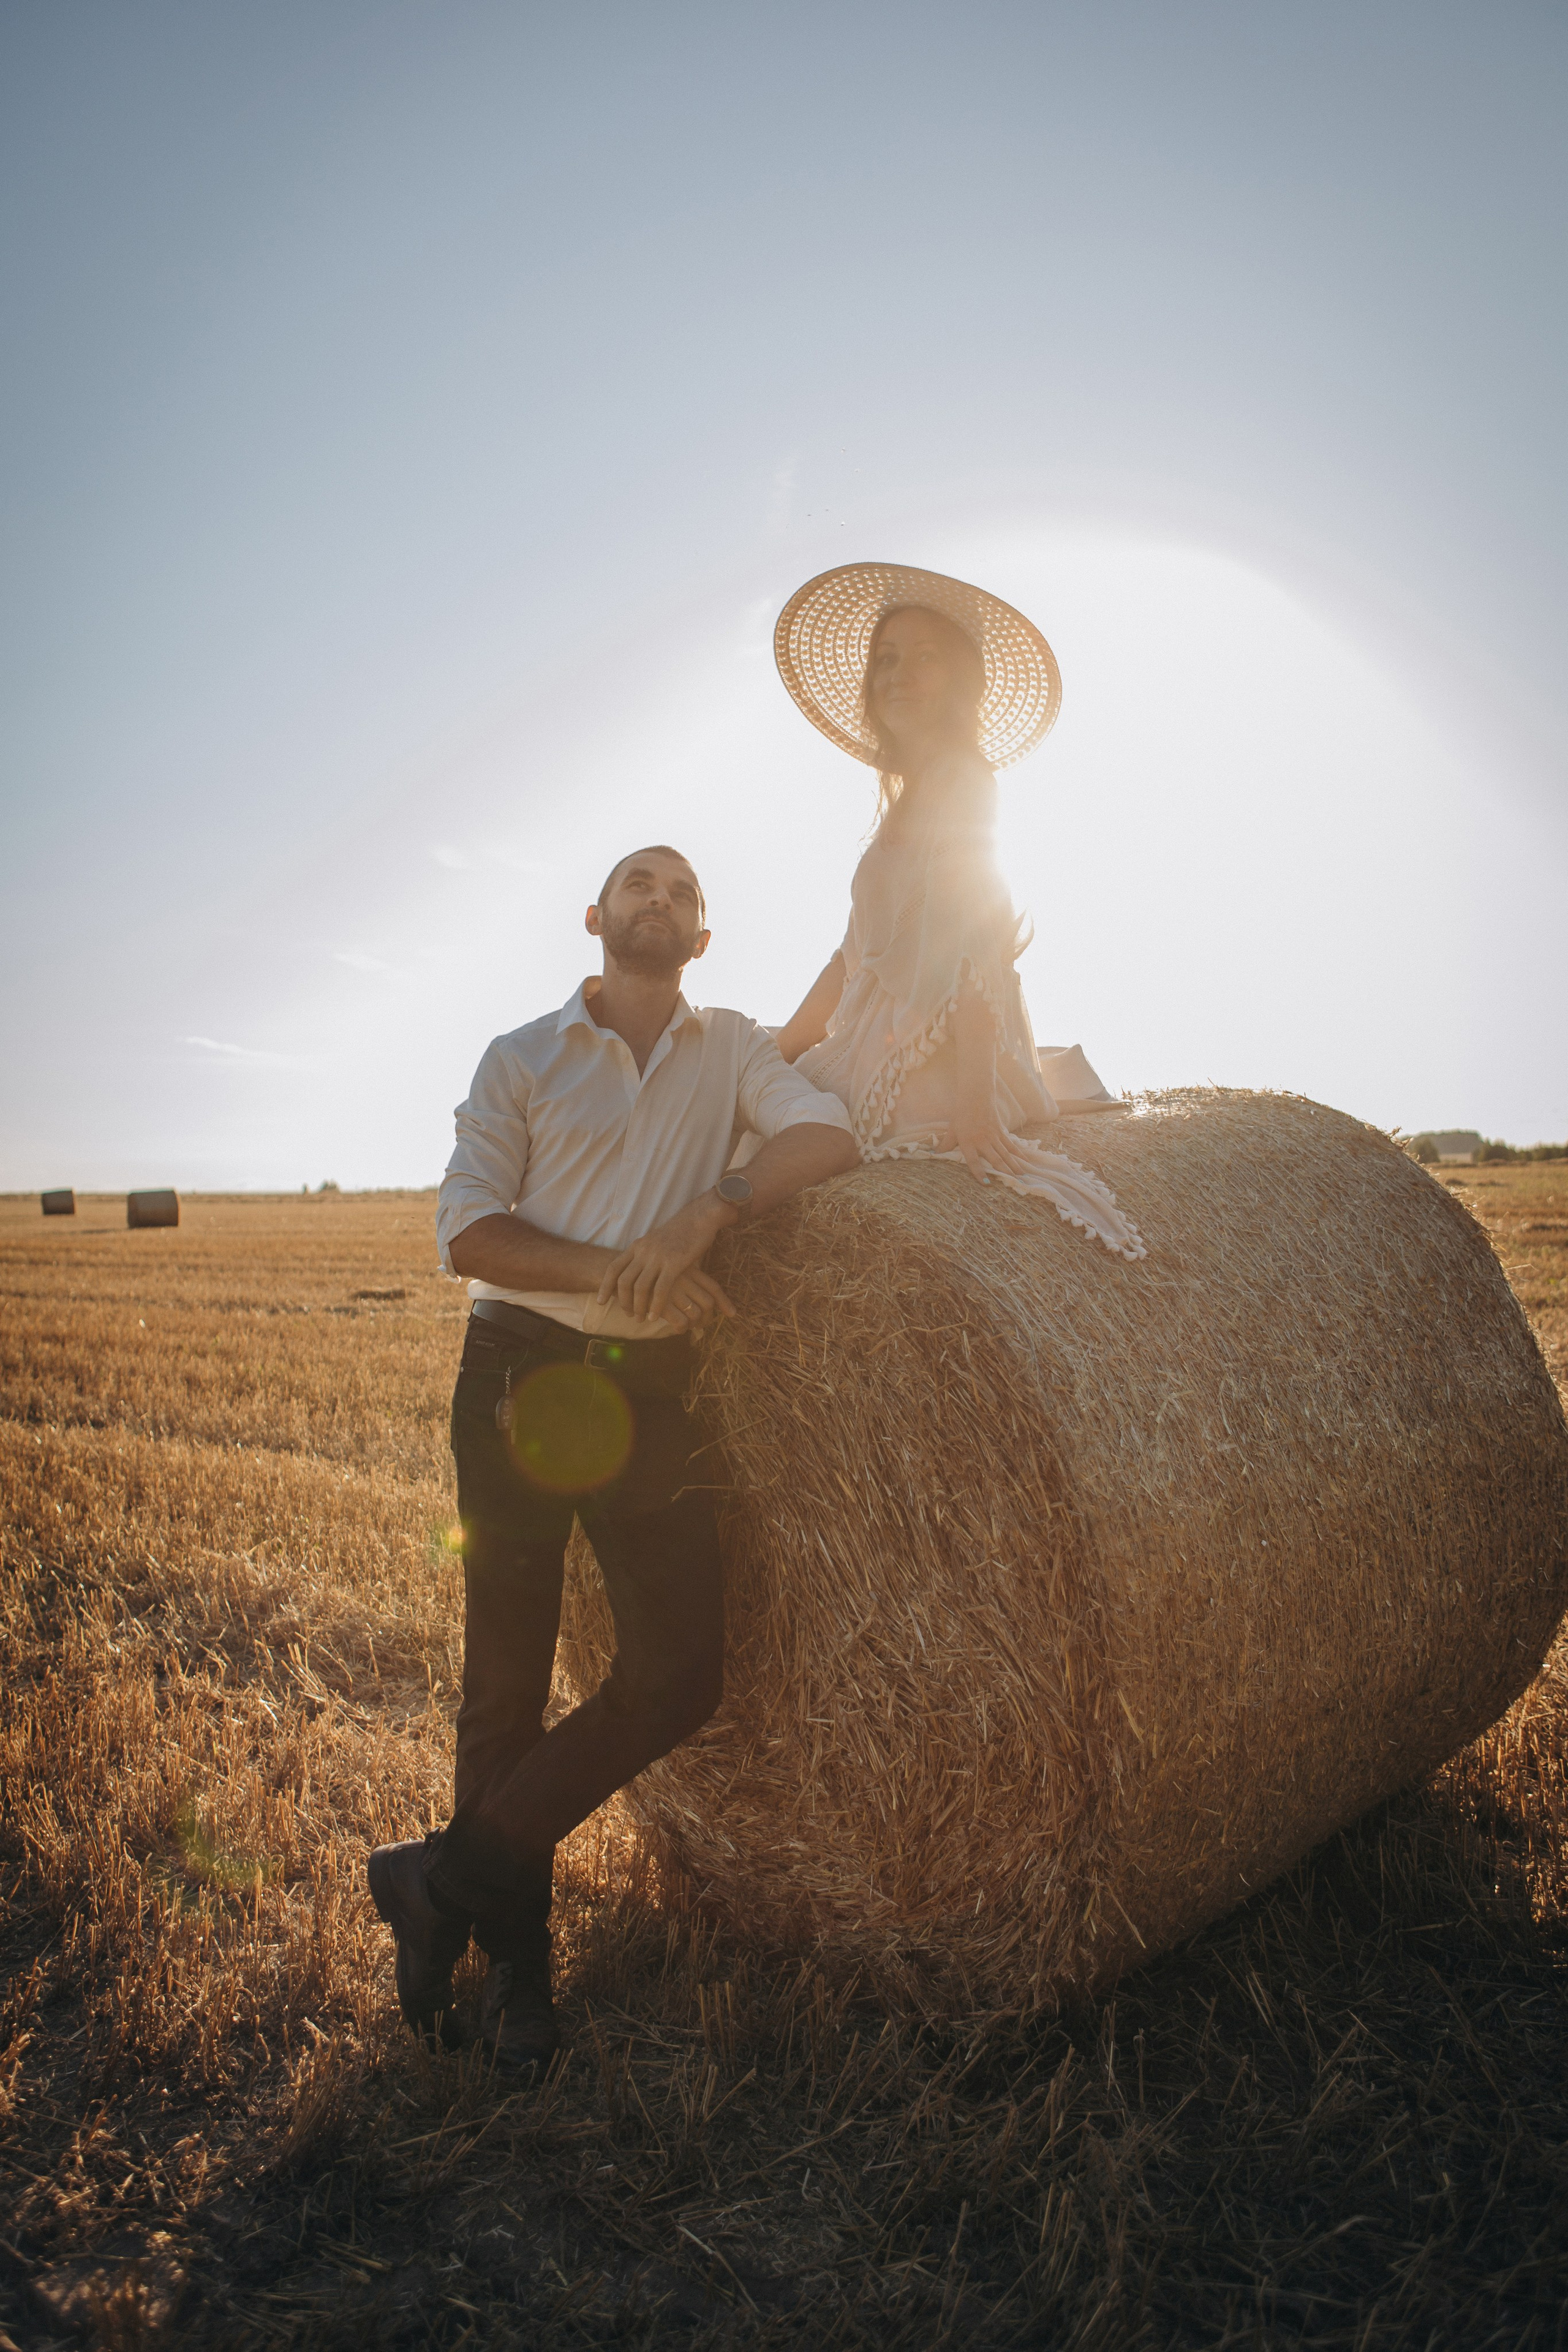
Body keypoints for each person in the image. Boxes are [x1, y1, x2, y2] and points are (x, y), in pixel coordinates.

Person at [369, 846, 857, 2068]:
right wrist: (624, 1269)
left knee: (681, 1674)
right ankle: (517, 1982)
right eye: (638, 882)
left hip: (650, 1396)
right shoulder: (519, 1056)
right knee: (507, 1682)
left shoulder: (733, 1046)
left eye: (681, 892)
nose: (659, 897)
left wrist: (711, 1213)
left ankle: (442, 1882)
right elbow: (468, 1231)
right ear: (594, 920)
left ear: (699, 941)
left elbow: (829, 1138)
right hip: (519, 1377)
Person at [772, 562, 1146, 1261]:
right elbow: (851, 956)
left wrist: (975, 1105)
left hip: (932, 1063)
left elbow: (976, 947)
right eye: (885, 659)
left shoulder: (964, 782)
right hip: (880, 1033)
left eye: (923, 658)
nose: (897, 674)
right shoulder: (904, 803)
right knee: (743, 1066)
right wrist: (780, 1050)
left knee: (772, 1128)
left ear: (960, 682)